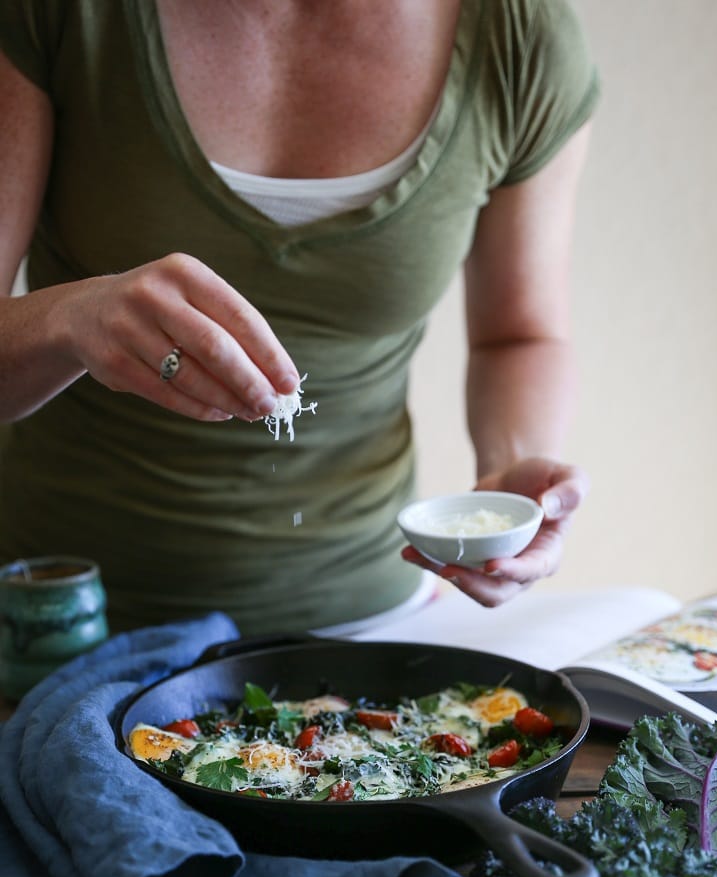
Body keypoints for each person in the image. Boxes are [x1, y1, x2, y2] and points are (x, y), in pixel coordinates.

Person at [0, 0, 599, 637]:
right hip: (56, 627)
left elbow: (518, 335)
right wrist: (72, 317)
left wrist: (506, 495)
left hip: (368, 627)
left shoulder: (520, 37)